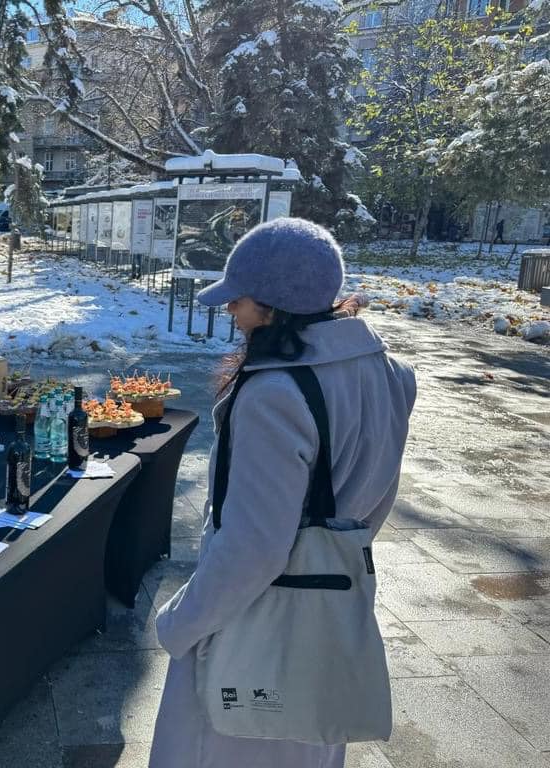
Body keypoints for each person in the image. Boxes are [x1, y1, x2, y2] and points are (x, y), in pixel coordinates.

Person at [149, 218, 416, 768]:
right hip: (332, 608)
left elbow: (254, 547)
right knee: (310, 740)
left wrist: (181, 623)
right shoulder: (390, 374)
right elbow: (375, 500)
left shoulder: (274, 393)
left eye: (239, 297)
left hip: (257, 623)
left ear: (274, 305)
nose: (230, 308)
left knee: (222, 744)